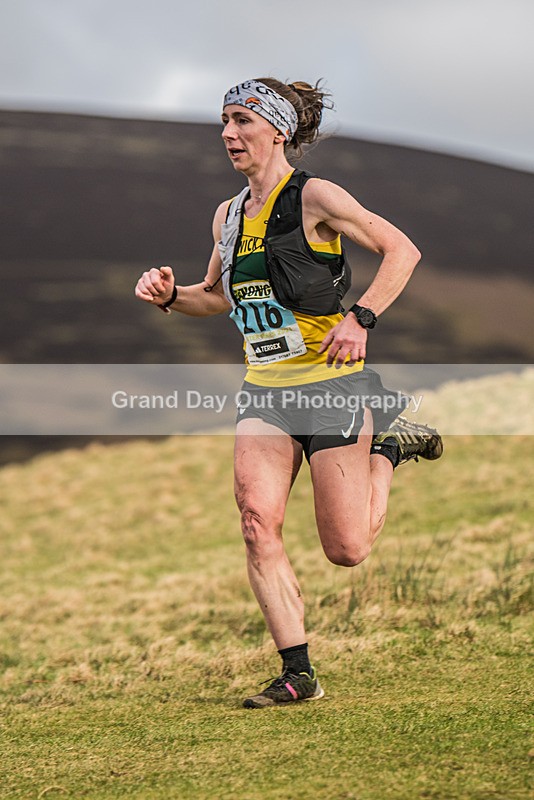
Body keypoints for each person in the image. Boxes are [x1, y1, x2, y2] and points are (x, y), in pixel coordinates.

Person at [135, 77, 443, 709]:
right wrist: (171, 297)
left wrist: (362, 319)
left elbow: (401, 250)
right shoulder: (227, 216)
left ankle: (388, 447)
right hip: (266, 393)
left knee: (347, 549)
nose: (228, 133)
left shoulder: (315, 197)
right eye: (223, 120)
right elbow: (216, 298)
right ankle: (297, 672)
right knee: (256, 524)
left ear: (276, 129)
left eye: (243, 120)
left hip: (332, 386)